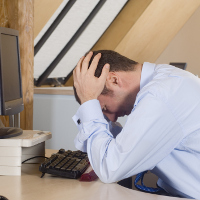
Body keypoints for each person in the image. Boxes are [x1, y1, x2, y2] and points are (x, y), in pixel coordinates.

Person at [72, 50, 200, 199]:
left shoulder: (160, 95)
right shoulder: (164, 80)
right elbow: (116, 147)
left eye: (105, 108)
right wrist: (90, 106)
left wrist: (89, 100)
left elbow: (110, 169)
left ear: (114, 80)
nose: (111, 119)